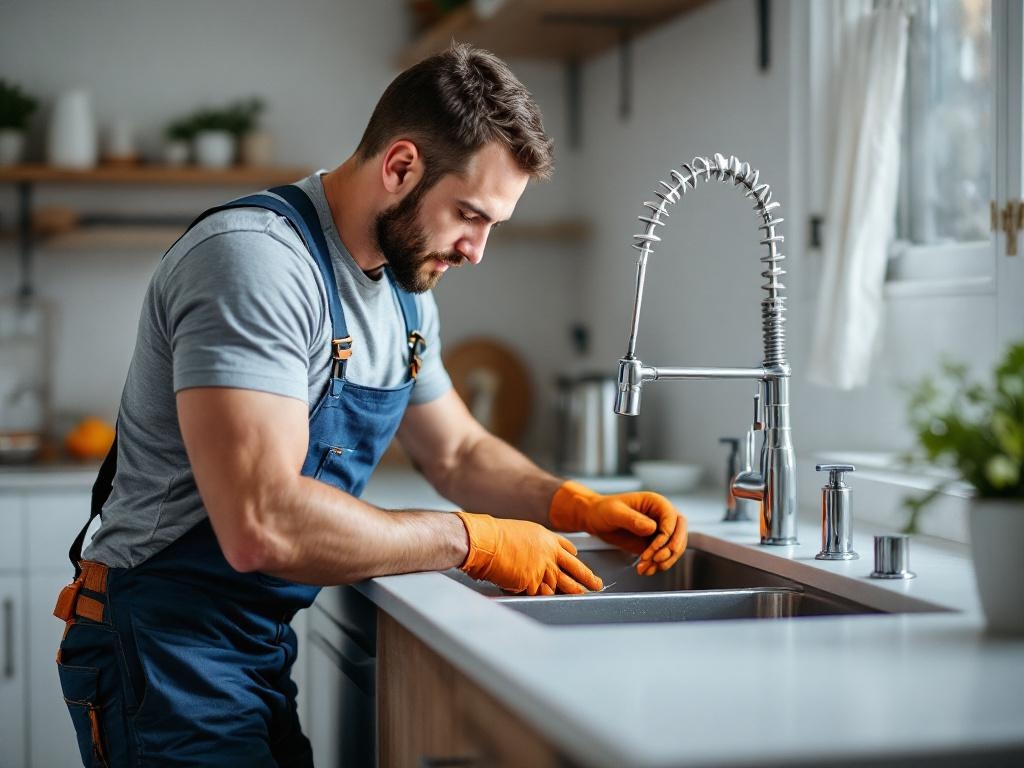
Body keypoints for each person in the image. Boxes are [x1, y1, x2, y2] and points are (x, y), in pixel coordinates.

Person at [52, 44, 687, 767]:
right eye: (469, 215)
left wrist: (572, 503)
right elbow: (259, 525)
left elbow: (457, 451)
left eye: (494, 226)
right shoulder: (257, 261)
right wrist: (473, 540)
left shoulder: (406, 287)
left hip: (252, 646)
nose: (477, 250)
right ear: (400, 166)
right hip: (161, 647)